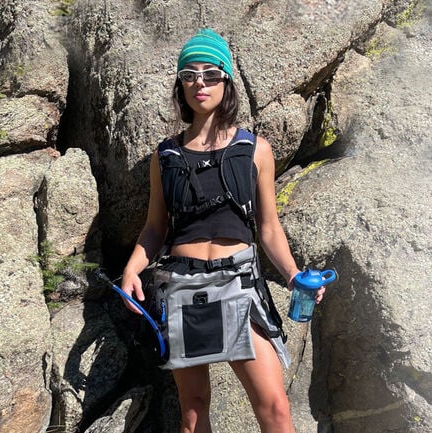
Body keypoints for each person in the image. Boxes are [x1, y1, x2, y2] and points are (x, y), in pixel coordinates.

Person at [118, 28, 324, 433]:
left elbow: (268, 227)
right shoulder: (166, 155)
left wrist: (294, 275)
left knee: (276, 408)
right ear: (180, 85)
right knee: (193, 414)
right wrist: (130, 271)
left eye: (211, 73)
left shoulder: (256, 149)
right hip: (184, 285)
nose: (200, 82)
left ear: (226, 82)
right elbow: (155, 228)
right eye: (190, 74)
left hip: (239, 281)